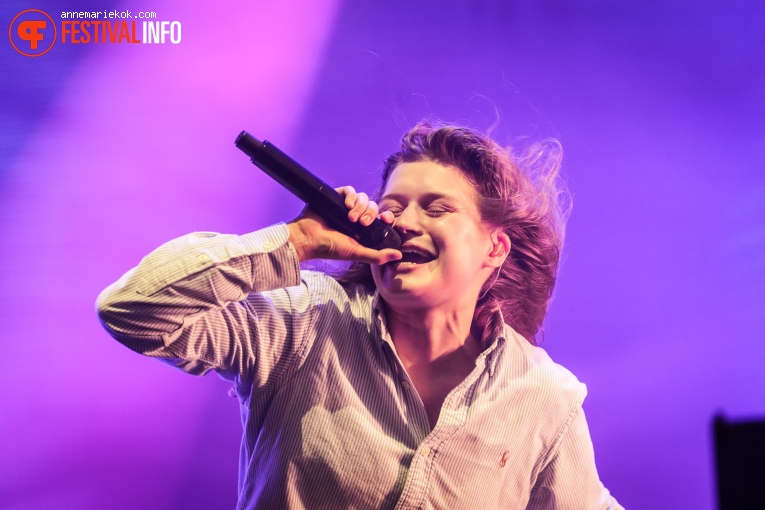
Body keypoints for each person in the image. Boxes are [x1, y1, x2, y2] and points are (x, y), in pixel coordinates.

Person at [97, 122, 622, 509]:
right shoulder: (304, 320)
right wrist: (297, 241)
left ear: (495, 248)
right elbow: (133, 309)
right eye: (392, 207)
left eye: (436, 209)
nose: (404, 222)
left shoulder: (541, 396)